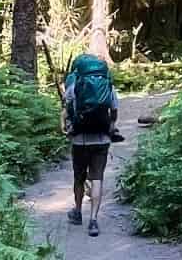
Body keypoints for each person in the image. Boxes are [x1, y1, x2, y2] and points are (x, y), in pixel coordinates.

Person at [62, 53, 118, 237]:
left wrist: (66, 126)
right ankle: (93, 221)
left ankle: (77, 212)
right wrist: (111, 127)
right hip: (102, 139)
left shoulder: (74, 83)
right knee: (97, 178)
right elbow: (114, 110)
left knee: (79, 178)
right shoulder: (107, 84)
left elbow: (68, 108)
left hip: (79, 139)